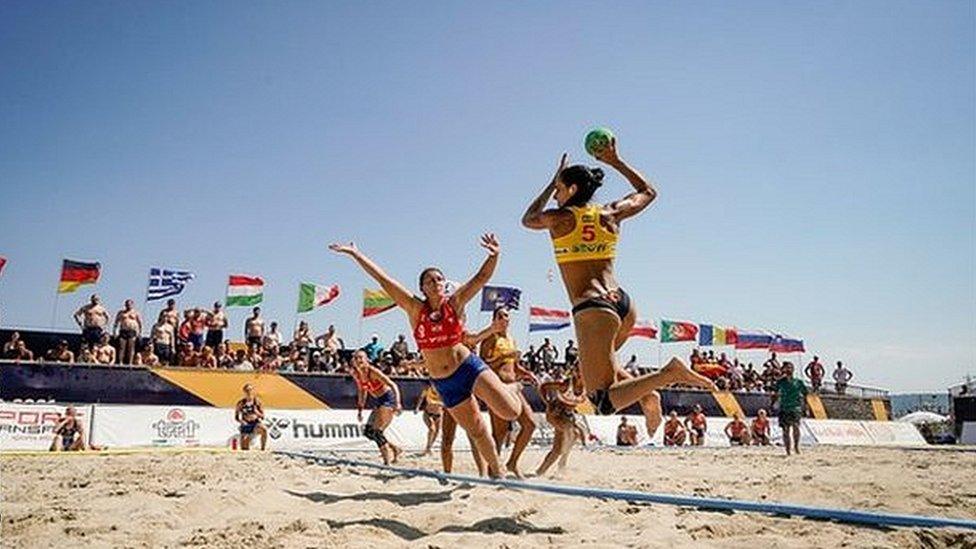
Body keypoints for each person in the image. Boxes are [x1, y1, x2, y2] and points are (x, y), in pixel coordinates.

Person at [521, 140, 715, 433]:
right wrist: (616, 161)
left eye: (560, 190)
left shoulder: (560, 218)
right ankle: (647, 395)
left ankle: (668, 374)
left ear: (571, 190)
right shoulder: (610, 213)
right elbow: (648, 192)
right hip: (623, 304)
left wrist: (550, 183)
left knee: (602, 400)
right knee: (603, 371)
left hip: (593, 309)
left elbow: (528, 219)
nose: (556, 195)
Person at [330, 234, 522, 478]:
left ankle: (513, 389)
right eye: (429, 280)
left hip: (466, 366)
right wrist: (356, 254)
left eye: (439, 279)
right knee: (477, 429)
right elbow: (382, 279)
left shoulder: (455, 303)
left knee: (510, 413)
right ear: (422, 287)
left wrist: (494, 255)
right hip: (444, 381)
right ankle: (498, 471)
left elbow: (481, 278)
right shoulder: (414, 308)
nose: (435, 283)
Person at [479, 306, 538, 478]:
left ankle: (512, 462)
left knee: (530, 424)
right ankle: (493, 471)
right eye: (502, 316)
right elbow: (482, 366)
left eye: (507, 316)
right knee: (500, 433)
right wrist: (503, 357)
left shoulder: (511, 339)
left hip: (514, 386)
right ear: (494, 319)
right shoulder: (490, 338)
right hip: (497, 388)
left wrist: (527, 374)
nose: (506, 319)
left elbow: (514, 366)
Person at [350, 349, 403, 464]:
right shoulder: (357, 374)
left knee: (377, 432)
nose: (358, 360)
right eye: (356, 358)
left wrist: (398, 403)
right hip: (379, 400)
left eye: (361, 357)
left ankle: (387, 462)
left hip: (388, 398)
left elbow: (393, 385)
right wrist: (360, 409)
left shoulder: (373, 371)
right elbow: (362, 391)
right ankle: (395, 449)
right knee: (369, 432)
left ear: (366, 360)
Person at [535, 375, 586, 477]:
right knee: (572, 432)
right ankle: (562, 463)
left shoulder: (586, 387)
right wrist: (547, 402)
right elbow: (543, 387)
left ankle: (541, 471)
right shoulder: (566, 384)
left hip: (567, 416)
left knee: (557, 449)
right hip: (555, 414)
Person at [772, 362, 807, 456]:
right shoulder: (780, 382)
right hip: (784, 407)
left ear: (793, 369)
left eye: (790, 368)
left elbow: (805, 393)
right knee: (785, 430)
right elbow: (774, 392)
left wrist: (805, 406)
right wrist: (773, 404)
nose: (788, 370)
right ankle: (788, 450)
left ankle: (796, 446)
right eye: (787, 368)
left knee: (796, 427)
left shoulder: (798, 382)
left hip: (795, 407)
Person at [235, 384, 267, 450]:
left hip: (255, 423)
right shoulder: (241, 403)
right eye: (247, 390)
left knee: (264, 429)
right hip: (246, 425)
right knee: (244, 448)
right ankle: (245, 441)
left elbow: (263, 416)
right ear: (244, 392)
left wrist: (256, 413)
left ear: (253, 391)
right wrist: (242, 421)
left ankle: (263, 448)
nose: (249, 392)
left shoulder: (257, 402)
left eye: (250, 390)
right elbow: (236, 417)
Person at [415, 382, 444, 456]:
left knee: (436, 432)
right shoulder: (427, 390)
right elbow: (421, 398)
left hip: (438, 414)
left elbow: (444, 403)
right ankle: (428, 449)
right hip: (428, 413)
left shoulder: (442, 391)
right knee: (432, 429)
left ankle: (429, 448)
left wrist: (437, 403)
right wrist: (417, 408)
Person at [113, 299, 143, 365]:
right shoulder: (121, 313)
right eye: (127, 304)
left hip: (132, 331)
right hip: (123, 331)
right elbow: (116, 323)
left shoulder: (136, 313)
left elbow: (140, 323)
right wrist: (114, 332)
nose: (128, 305)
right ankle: (120, 362)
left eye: (129, 304)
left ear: (132, 305)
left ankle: (130, 362)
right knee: (121, 347)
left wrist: (139, 333)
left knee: (131, 347)